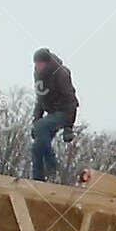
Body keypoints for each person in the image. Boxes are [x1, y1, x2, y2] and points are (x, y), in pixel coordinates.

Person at [30, 47, 78, 182]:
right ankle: (38, 179)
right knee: (36, 146)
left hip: (64, 112)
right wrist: (36, 120)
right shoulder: (38, 76)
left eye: (40, 64)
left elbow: (71, 99)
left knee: (42, 127)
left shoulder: (61, 73)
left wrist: (69, 127)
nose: (38, 67)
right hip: (51, 112)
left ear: (47, 63)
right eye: (36, 64)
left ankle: (53, 168)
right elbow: (40, 99)